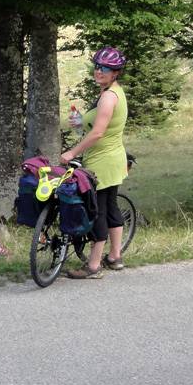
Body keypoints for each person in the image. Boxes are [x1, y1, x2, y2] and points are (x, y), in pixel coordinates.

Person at [60, 46, 129, 279]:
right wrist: (80, 122)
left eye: (106, 68)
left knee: (96, 211)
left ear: (115, 72)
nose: (99, 71)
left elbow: (98, 133)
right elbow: (94, 128)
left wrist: (71, 152)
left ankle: (93, 266)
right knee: (110, 206)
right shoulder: (112, 92)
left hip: (101, 162)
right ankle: (115, 257)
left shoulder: (108, 97)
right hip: (113, 159)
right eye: (97, 66)